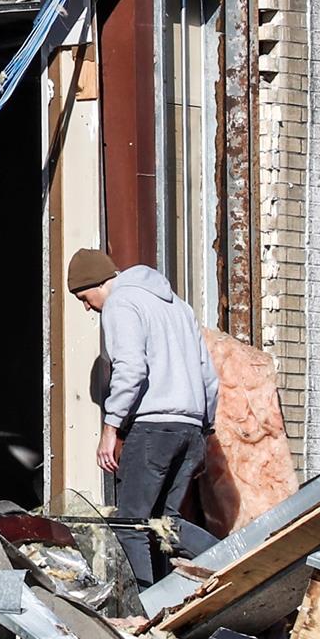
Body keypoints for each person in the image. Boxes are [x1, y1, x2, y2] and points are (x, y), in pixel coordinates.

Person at [68, 248, 221, 588]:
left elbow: (131, 368)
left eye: (84, 296)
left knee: (130, 523)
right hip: (191, 429)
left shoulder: (121, 304)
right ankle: (234, 562)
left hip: (154, 430)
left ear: (98, 282)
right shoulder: (178, 307)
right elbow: (208, 375)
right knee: (164, 522)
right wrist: (204, 430)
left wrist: (111, 427)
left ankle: (143, 608)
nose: (86, 306)